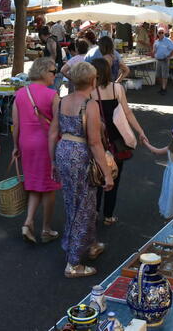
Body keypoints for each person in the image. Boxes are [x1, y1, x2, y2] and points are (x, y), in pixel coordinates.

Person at [48, 62, 113, 278]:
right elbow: (95, 142)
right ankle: (73, 263)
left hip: (63, 150)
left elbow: (52, 132)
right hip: (80, 154)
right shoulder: (90, 104)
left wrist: (53, 161)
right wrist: (106, 173)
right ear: (93, 81)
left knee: (72, 202)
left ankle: (89, 244)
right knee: (84, 205)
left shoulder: (63, 100)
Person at [90, 58, 147, 226]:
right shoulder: (117, 88)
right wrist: (140, 131)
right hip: (116, 141)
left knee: (95, 176)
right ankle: (108, 215)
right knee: (114, 176)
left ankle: (93, 212)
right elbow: (128, 113)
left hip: (96, 139)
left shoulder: (89, 91)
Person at [12, 58, 61, 244]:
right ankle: (46, 229)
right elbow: (58, 125)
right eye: (52, 71)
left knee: (34, 184)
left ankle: (28, 222)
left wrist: (16, 146)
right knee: (49, 187)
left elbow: (15, 124)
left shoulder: (20, 94)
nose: (54, 74)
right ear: (43, 71)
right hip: (46, 144)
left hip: (26, 143)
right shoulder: (52, 95)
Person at [152, 27, 173, 95]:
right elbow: (154, 50)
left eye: (162, 32)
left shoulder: (168, 41)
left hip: (165, 60)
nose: (161, 34)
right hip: (158, 60)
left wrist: (169, 57)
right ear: (157, 34)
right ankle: (162, 87)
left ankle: (164, 88)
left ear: (164, 33)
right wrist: (153, 53)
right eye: (159, 33)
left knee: (164, 75)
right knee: (158, 75)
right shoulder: (156, 41)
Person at [39, 26, 64, 90]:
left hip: (55, 72)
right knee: (54, 94)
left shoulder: (50, 40)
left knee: (51, 94)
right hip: (56, 71)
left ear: (42, 35)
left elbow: (53, 55)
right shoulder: (53, 38)